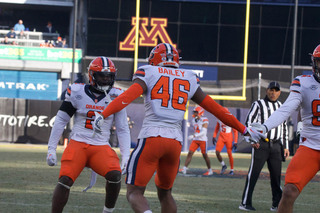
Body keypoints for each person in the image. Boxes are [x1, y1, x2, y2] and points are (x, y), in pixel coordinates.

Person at [92, 43, 261, 213]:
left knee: (134, 192)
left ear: (155, 59)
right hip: (174, 142)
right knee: (165, 194)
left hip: (152, 137)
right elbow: (217, 109)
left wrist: (103, 114)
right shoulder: (188, 76)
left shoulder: (148, 72)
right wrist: (244, 130)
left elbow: (127, 97)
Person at [46, 56, 131, 213]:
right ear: (92, 75)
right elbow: (60, 121)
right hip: (78, 143)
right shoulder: (77, 91)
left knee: (115, 175)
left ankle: (107, 211)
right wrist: (51, 149)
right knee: (65, 179)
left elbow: (122, 128)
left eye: (109, 76)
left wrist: (126, 156)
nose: (106, 79)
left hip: (100, 146)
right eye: (102, 75)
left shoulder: (116, 95)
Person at [250, 44, 320, 213]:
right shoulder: (303, 82)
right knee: (288, 192)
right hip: (310, 146)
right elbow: (286, 109)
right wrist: (265, 127)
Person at [239, 81, 289, 212]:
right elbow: (249, 122)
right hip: (261, 144)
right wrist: (251, 140)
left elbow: (284, 127)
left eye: (276, 90)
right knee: (253, 174)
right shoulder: (258, 104)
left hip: (276, 145)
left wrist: (285, 146)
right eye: (271, 90)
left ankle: (276, 204)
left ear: (279, 92)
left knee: (276, 177)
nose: (273, 93)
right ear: (267, 90)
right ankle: (245, 203)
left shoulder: (281, 106)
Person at [180, 106, 213, 176]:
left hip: (202, 140)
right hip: (195, 140)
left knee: (204, 155)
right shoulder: (193, 120)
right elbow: (195, 127)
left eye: (196, 112)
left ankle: (210, 170)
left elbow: (203, 132)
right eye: (194, 112)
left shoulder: (205, 120)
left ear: (200, 112)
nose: (194, 113)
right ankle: (184, 168)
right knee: (190, 153)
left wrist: (194, 135)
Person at [212, 107, 238, 175]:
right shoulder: (219, 117)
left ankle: (232, 169)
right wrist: (214, 136)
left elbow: (235, 131)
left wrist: (235, 141)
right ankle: (223, 165)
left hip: (228, 137)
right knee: (217, 152)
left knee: (229, 153)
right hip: (221, 136)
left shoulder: (230, 118)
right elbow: (217, 127)